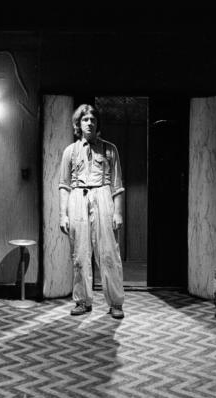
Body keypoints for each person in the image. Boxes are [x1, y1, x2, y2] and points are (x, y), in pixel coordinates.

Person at [58, 104, 125, 319]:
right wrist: (63, 214)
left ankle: (115, 303)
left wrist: (117, 212)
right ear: (78, 124)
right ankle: (82, 300)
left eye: (93, 120)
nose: (89, 123)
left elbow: (117, 185)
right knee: (80, 254)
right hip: (78, 198)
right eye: (85, 119)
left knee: (108, 253)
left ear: (97, 124)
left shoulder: (110, 149)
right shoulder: (70, 151)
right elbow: (64, 185)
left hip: (103, 196)